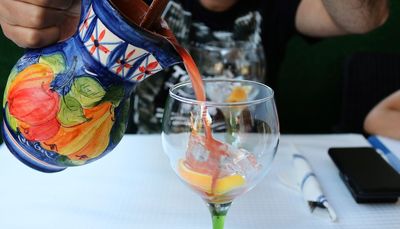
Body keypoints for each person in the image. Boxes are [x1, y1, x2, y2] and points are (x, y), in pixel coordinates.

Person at [0, 0, 389, 133]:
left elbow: (364, 18)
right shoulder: (144, 6)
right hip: (146, 163)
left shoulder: (275, 7)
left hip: (239, 162)